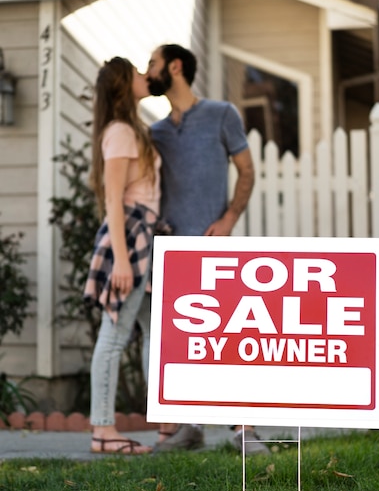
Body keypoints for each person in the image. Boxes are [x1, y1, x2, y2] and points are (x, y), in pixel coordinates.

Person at [137, 43, 269, 455]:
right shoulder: (154, 133)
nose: (149, 71)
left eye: (153, 65)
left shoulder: (222, 115)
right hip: (170, 255)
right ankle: (190, 426)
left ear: (175, 67)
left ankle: (244, 428)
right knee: (183, 342)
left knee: (229, 338)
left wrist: (229, 219)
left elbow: (247, 172)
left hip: (215, 251)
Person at [84, 56, 165, 455]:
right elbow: (114, 198)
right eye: (135, 72)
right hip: (129, 239)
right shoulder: (119, 131)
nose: (143, 76)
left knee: (153, 330)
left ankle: (168, 419)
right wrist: (120, 259)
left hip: (141, 236)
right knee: (114, 337)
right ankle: (103, 431)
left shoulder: (130, 130)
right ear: (122, 84)